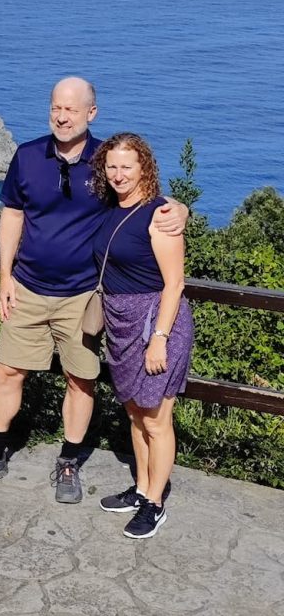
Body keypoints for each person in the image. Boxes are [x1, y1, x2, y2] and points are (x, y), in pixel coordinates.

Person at [0, 77, 188, 502]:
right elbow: (12, 214)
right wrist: (4, 275)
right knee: (7, 370)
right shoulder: (26, 156)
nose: (62, 116)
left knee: (81, 379)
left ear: (90, 114)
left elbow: (140, 195)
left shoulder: (104, 160)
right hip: (27, 286)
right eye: (55, 108)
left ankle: (69, 460)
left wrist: (180, 209)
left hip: (83, 294)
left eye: (72, 110)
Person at [92, 132, 194, 538]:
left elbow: (174, 284)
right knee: (135, 414)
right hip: (120, 321)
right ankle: (140, 488)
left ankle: (155, 503)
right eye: (111, 166)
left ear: (144, 168)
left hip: (155, 321)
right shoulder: (111, 208)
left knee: (156, 419)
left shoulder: (161, 215)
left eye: (126, 167)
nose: (118, 175)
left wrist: (159, 339)